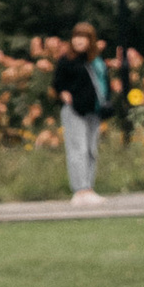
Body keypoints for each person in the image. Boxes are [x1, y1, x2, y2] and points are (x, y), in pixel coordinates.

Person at [54, 21, 108, 205]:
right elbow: (57, 82)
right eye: (76, 36)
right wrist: (64, 94)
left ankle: (89, 186)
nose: (78, 41)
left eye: (83, 37)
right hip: (75, 110)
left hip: (93, 110)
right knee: (78, 149)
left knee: (92, 150)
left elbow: (103, 83)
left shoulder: (95, 61)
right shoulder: (67, 60)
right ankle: (80, 189)